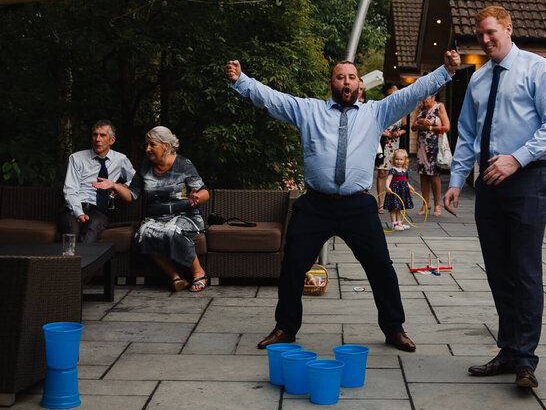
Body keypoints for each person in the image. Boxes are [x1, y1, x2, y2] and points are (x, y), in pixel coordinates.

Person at [225, 52, 460, 351]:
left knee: (381, 267)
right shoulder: (310, 110)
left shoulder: (376, 112)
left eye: (351, 77)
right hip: (315, 205)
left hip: (357, 205)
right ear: (331, 83)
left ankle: (393, 329)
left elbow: (413, 92)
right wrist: (241, 81)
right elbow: (273, 99)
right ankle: (285, 328)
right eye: (340, 77)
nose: (346, 81)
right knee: (294, 265)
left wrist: (445, 71)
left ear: (360, 84)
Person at [444, 6, 546, 389]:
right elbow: (466, 136)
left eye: (491, 32)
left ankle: (526, 361)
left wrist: (517, 158)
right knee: (498, 270)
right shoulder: (478, 80)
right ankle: (509, 350)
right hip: (489, 187)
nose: (485, 40)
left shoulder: (538, 70)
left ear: (509, 29)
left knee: (525, 269)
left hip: (529, 179)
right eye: (480, 34)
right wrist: (455, 180)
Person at [105, 126, 209, 292]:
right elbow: (132, 194)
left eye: (152, 145)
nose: (147, 149)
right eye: (147, 144)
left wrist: (197, 197)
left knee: (172, 230)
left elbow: (205, 192)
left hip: (185, 215)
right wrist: (114, 186)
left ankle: (199, 272)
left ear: (166, 146)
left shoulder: (183, 164)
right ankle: (175, 277)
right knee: (144, 233)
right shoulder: (145, 166)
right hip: (156, 217)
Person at [60, 120, 136, 243]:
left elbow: (136, 180)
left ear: (112, 140)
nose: (97, 139)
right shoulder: (77, 158)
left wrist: (120, 186)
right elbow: (70, 189)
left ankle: (81, 261)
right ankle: (69, 261)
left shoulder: (120, 159)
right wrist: (79, 213)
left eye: (103, 135)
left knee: (92, 227)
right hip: (73, 208)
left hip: (98, 211)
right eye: (95, 135)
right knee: (72, 232)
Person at [414, 93, 450, 216]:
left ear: (433, 97)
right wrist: (419, 123)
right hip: (422, 145)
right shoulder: (420, 108)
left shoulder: (439, 107)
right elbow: (413, 127)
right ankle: (425, 204)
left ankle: (437, 205)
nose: (424, 101)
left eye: (426, 98)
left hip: (434, 146)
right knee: (423, 175)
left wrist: (429, 127)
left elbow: (446, 127)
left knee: (434, 176)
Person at [376, 84, 407, 211]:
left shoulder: (402, 109)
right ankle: (381, 203)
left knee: (396, 173)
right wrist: (387, 134)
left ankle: (395, 201)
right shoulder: (381, 107)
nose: (395, 94)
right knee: (382, 173)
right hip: (384, 143)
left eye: (396, 92)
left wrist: (398, 133)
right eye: (392, 92)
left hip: (396, 144)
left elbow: (405, 127)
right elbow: (376, 126)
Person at [380, 148, 415, 231]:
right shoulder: (393, 170)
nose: (399, 161)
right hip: (394, 191)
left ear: (405, 160)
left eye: (401, 159)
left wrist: (410, 186)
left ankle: (399, 223)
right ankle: (394, 224)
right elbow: (388, 179)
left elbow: (405, 181)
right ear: (393, 160)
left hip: (402, 192)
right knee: (393, 208)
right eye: (397, 159)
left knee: (399, 208)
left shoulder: (404, 170)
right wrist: (387, 187)